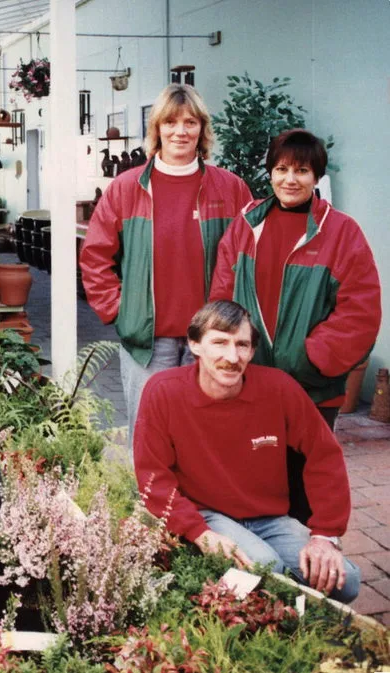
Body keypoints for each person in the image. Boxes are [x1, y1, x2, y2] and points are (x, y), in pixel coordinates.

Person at [134, 301, 360, 603]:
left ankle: (288, 605)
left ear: (252, 351)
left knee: (346, 583)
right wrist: (197, 532)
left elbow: (324, 455)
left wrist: (324, 535)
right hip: (206, 514)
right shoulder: (163, 391)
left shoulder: (278, 388)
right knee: (268, 569)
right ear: (195, 345)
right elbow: (153, 476)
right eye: (219, 342)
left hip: (269, 518)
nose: (232, 357)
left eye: (242, 345)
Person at [209, 129, 381, 521]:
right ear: (269, 172)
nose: (290, 179)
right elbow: (222, 293)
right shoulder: (246, 225)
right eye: (282, 168)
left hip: (311, 386)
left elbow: (361, 309)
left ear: (316, 177)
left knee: (307, 483)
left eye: (302, 170)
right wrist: (231, 356)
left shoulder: (341, 232)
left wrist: (310, 358)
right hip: (249, 380)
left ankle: (305, 565)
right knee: (252, 479)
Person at [79, 84, 252, 451]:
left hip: (211, 338)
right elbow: (95, 256)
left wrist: (237, 323)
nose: (180, 131)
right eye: (170, 122)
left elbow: (251, 259)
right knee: (151, 433)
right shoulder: (127, 188)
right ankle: (148, 508)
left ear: (202, 130)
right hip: (147, 339)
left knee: (208, 432)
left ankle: (201, 507)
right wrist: (120, 311)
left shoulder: (231, 188)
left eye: (190, 122)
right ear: (156, 129)